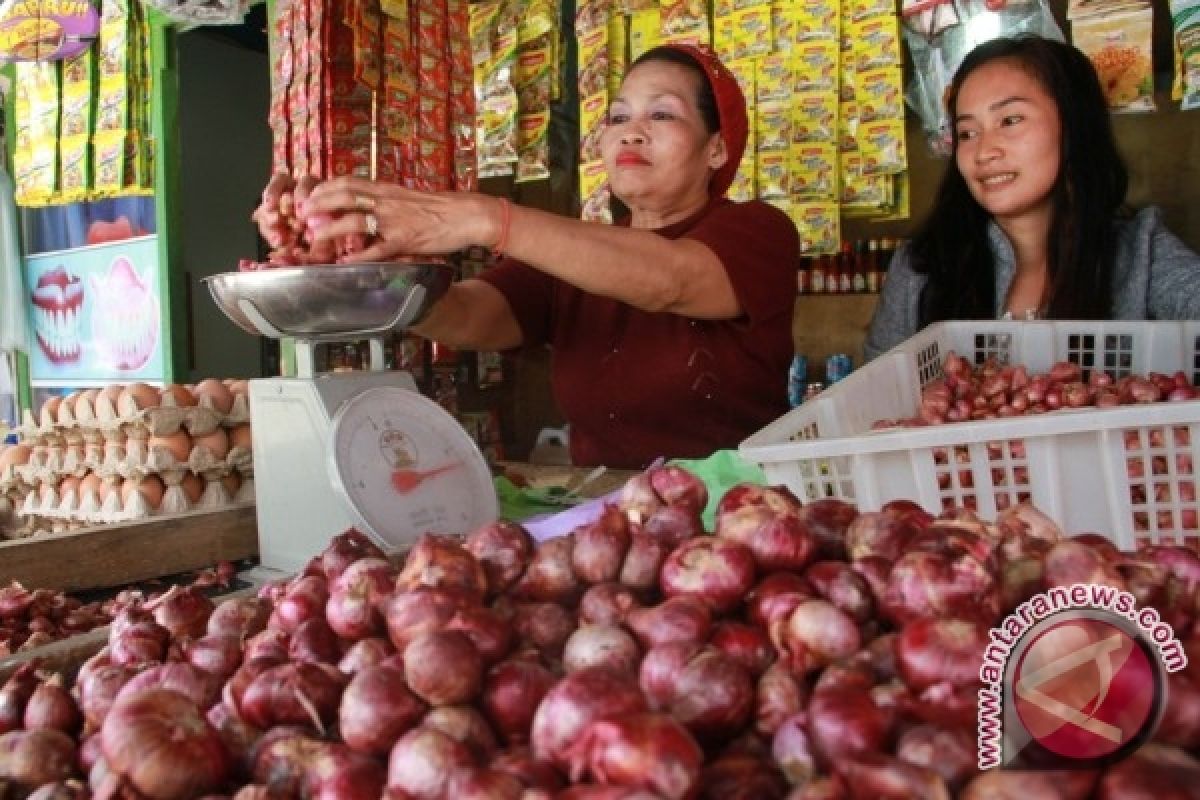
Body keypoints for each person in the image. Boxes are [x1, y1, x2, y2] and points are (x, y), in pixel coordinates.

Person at [254, 44, 800, 469]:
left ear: (717, 148)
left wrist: (485, 219)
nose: (631, 131)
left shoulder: (757, 232)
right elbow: (468, 315)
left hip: (740, 521)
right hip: (614, 526)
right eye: (616, 117)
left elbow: (669, 280)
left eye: (662, 115)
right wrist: (355, 266)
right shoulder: (572, 254)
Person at [864, 35, 1200, 360]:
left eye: (1009, 120)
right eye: (967, 132)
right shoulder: (921, 268)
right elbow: (873, 397)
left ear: (1072, 126)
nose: (984, 151)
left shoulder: (1141, 253)